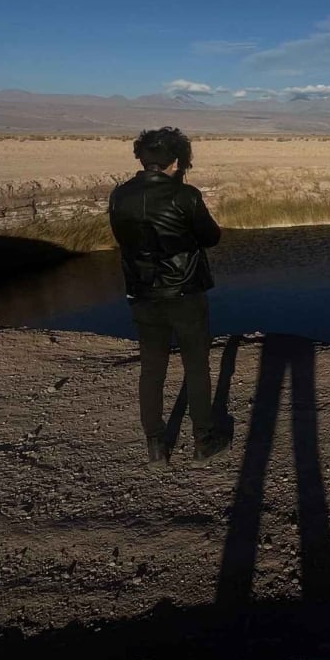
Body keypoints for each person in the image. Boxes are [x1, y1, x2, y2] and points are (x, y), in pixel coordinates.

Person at [108, 127, 230, 467]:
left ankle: (156, 447)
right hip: (185, 292)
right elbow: (211, 237)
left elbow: (123, 237)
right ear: (176, 161)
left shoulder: (119, 196)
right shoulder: (185, 196)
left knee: (152, 368)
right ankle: (203, 441)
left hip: (142, 294)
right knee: (196, 367)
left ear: (143, 159)